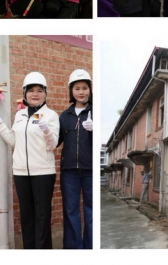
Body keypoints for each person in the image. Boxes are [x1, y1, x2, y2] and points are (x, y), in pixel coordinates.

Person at [0, 72, 60, 249]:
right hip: (21, 172)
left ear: (45, 93)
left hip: (43, 173)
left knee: (42, 217)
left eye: (39, 90)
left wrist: (46, 130)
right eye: (31, 91)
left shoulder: (50, 115)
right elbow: (14, 141)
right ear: (25, 93)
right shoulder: (20, 115)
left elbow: (52, 145)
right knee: (26, 217)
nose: (35, 94)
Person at [57, 69, 94, 249]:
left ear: (90, 90)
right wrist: (44, 130)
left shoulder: (94, 113)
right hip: (69, 171)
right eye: (77, 88)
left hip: (91, 171)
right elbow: (55, 142)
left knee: (91, 211)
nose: (81, 92)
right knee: (70, 211)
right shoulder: (64, 116)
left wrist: (94, 130)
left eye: (85, 88)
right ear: (71, 91)